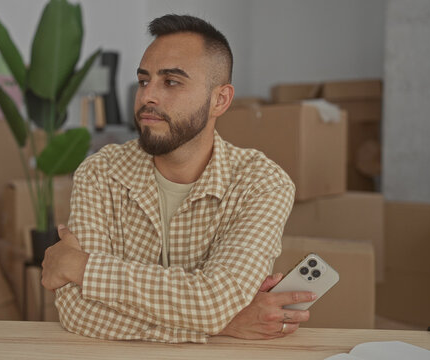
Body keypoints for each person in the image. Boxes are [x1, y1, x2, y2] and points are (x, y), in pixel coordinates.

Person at [40, 14, 315, 343]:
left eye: (171, 82)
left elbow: (214, 301)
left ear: (220, 100)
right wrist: (227, 324)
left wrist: (84, 268)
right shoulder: (99, 174)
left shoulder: (261, 183)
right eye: (144, 81)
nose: (147, 97)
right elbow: (76, 310)